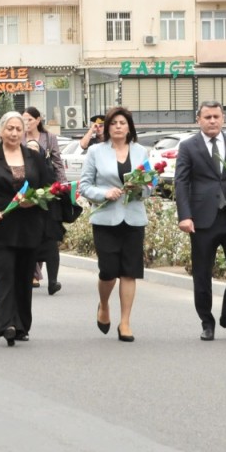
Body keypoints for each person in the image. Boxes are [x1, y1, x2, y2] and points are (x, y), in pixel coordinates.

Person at [174, 101, 226, 341]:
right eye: (207, 117)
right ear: (199, 120)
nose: (212, 121)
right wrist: (185, 216)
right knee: (202, 273)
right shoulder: (188, 146)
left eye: (216, 116)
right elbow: (181, 182)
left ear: (223, 118)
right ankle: (207, 322)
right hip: (202, 220)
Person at [0, 112, 52, 345]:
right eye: (10, 128)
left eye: (19, 129)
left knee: (23, 277)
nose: (15, 133)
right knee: (4, 275)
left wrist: (35, 199)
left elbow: (49, 187)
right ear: (0, 131)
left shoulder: (34, 158)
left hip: (28, 227)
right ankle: (6, 323)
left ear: (24, 131)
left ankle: (22, 325)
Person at [78, 107, 150, 342]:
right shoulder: (96, 152)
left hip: (133, 217)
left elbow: (151, 185)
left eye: (122, 122)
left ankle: (125, 322)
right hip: (105, 218)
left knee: (130, 271)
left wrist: (142, 188)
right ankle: (104, 305)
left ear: (129, 127)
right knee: (108, 271)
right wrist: (103, 193)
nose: (118, 126)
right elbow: (85, 186)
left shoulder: (141, 152)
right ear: (107, 128)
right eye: (114, 123)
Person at [23, 106, 66, 293]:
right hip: (25, 193)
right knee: (28, 237)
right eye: (23, 119)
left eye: (29, 119)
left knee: (50, 238)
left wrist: (62, 185)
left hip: (48, 192)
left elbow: (57, 162)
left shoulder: (49, 138)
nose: (26, 123)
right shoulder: (19, 138)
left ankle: (52, 280)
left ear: (38, 120)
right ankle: (31, 275)